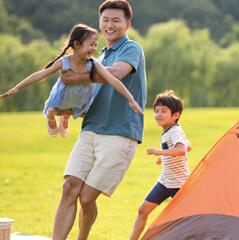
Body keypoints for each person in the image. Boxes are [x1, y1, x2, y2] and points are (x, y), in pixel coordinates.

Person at [52, 0, 147, 240]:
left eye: (116, 20)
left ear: (128, 24)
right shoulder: (98, 53)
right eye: (105, 20)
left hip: (120, 133)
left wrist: (76, 77)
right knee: (69, 187)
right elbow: (88, 95)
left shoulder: (131, 48)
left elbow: (115, 74)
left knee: (86, 197)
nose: (109, 25)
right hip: (91, 128)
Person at [0, 23, 142, 138]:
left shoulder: (93, 63)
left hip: (79, 99)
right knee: (54, 110)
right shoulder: (64, 62)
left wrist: (131, 99)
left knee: (74, 112)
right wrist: (17, 88)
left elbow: (113, 80)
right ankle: (51, 118)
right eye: (91, 44)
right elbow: (41, 74)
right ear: (77, 44)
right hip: (63, 97)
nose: (94, 48)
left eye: (95, 45)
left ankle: (66, 118)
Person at [130, 90, 191, 240]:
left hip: (180, 185)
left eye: (163, 111)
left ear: (175, 115)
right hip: (165, 182)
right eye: (156, 111)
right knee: (143, 210)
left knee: (186, 220)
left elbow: (181, 150)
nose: (158, 114)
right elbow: (187, 146)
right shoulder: (169, 131)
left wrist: (159, 152)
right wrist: (163, 159)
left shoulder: (174, 131)